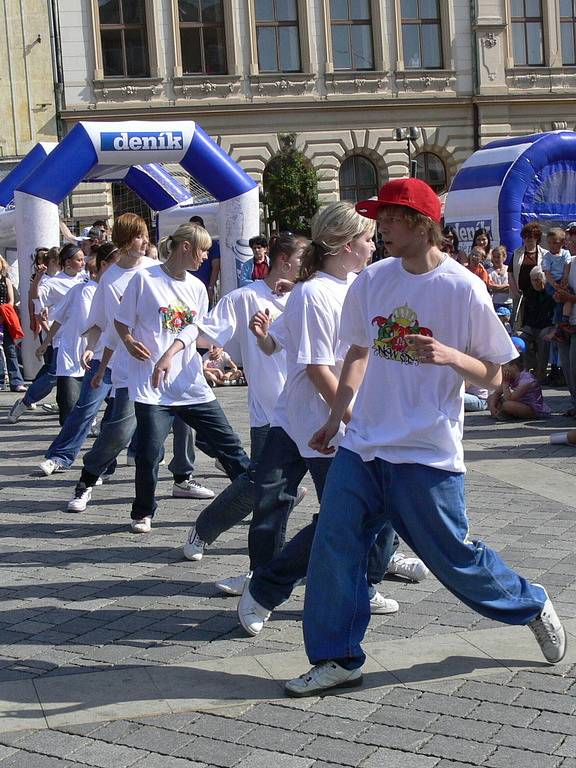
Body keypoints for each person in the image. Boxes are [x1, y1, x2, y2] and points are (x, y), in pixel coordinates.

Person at [283, 178, 565, 698]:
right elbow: (359, 352)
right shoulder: (372, 280)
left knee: (453, 558)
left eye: (389, 217)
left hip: (426, 451)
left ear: (420, 222)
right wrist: (336, 415)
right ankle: (338, 657)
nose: (380, 226)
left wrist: (449, 356)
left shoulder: (462, 287)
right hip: (363, 445)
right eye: (379, 218)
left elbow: (495, 376)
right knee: (335, 548)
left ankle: (528, 601)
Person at [236, 201, 405, 639]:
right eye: (368, 239)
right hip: (316, 421)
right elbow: (316, 368)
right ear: (347, 245)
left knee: (372, 508)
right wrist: (352, 418)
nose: (373, 246)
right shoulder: (314, 294)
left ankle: (365, 578)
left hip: (337, 420)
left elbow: (288, 344)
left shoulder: (351, 286)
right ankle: (265, 587)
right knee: (332, 513)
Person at [154, 233, 310, 582]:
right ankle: (206, 530)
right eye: (302, 260)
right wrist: (171, 353)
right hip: (272, 413)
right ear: (284, 259)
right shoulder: (244, 298)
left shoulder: (307, 293)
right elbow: (203, 331)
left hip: (318, 410)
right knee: (262, 486)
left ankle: (379, 555)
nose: (306, 267)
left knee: (342, 487)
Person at [65, 214, 210, 512]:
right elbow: (107, 325)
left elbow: (184, 313)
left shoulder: (156, 270)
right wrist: (99, 362)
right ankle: (87, 479)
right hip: (132, 368)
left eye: (145, 236)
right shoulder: (110, 279)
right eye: (139, 236)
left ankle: (183, 476)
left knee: (185, 422)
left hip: (173, 363)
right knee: (120, 429)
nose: (145, 242)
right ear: (124, 240)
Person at [114, 222, 251, 533]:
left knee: (228, 444)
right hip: (153, 386)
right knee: (149, 453)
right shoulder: (144, 279)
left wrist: (211, 347)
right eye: (203, 250)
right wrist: (127, 340)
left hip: (190, 383)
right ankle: (143, 511)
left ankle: (257, 496)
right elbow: (121, 321)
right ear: (186, 247)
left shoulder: (197, 288)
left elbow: (195, 332)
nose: (205, 258)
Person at [37, 242, 119, 475]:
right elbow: (68, 320)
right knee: (83, 408)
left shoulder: (131, 285)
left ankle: (109, 463)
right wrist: (46, 342)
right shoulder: (83, 290)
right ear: (104, 264)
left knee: (119, 418)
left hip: (127, 362)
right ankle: (60, 455)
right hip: (97, 358)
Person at [8, 243, 87, 423]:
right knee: (54, 375)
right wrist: (38, 277)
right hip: (62, 338)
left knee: (88, 376)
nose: (83, 263)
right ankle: (25, 402)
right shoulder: (53, 282)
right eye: (79, 260)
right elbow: (36, 298)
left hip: (85, 339)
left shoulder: (85, 278)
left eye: (83, 259)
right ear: (67, 262)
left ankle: (85, 420)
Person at [519, 266, 555, 382]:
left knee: (544, 338)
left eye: (536, 280)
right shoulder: (530, 293)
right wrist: (524, 326)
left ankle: (541, 370)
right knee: (521, 338)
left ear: (542, 279)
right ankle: (530, 365)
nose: (534, 282)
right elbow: (527, 313)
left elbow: (553, 313)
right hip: (532, 325)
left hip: (547, 325)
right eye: (532, 280)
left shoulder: (550, 293)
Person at [488, 354, 551, 420]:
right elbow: (497, 393)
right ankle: (504, 413)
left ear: (514, 367)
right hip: (518, 403)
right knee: (490, 398)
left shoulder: (526, 380)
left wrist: (505, 383)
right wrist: (492, 407)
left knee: (507, 405)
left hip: (533, 409)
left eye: (503, 366)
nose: (501, 370)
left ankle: (509, 414)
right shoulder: (510, 377)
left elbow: (509, 399)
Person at [509, 223, 545, 328]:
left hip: (538, 296)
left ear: (537, 237)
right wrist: (515, 292)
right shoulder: (517, 252)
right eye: (525, 236)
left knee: (538, 325)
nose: (527, 239)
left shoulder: (545, 254)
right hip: (521, 296)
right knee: (519, 325)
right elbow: (510, 273)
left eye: (530, 236)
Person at [0, 254, 26, 392]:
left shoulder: (6, 281)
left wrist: (3, 314)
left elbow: (11, 300)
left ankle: (16, 381)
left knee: (10, 350)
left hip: (5, 318)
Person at [189, 216, 220, 307]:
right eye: (193, 227)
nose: (196, 230)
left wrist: (210, 287)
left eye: (198, 227)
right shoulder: (188, 245)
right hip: (190, 287)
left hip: (205, 286)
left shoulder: (213, 244)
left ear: (204, 228)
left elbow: (216, 267)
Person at [487, 245, 512, 311]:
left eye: (498, 257)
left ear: (504, 257)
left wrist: (497, 289)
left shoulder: (509, 269)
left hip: (509, 302)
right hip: (495, 302)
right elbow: (491, 287)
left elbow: (512, 286)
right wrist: (506, 287)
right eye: (494, 257)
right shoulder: (489, 271)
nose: (496, 259)